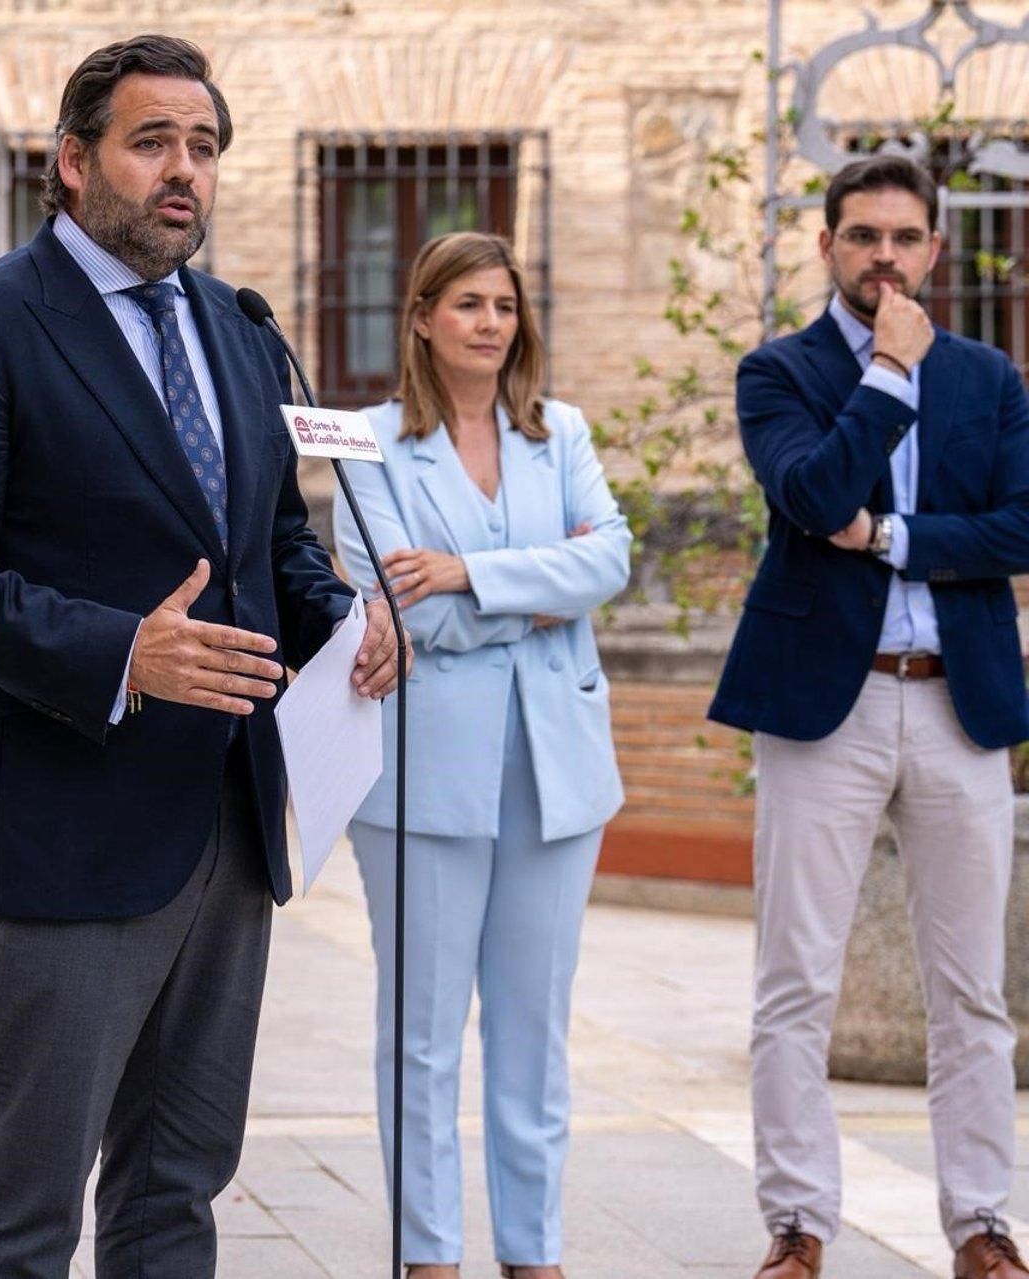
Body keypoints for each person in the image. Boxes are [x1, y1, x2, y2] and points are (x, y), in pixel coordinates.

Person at [0, 34, 402, 1279]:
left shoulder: (237, 328)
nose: (185, 172)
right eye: (152, 141)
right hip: (69, 826)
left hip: (228, 817)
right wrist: (122, 652)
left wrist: (347, 621)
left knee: (177, 1193)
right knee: (25, 1212)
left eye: (205, 147)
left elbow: (269, 535)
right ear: (72, 161)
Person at [708, 154, 1029, 1279]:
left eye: (903, 237)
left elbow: (1020, 528)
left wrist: (893, 539)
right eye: (861, 236)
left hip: (958, 705)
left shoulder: (991, 378)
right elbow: (809, 494)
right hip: (820, 713)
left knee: (972, 988)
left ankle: (983, 1223)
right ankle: (798, 1225)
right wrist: (889, 377)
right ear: (828, 245)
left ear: (934, 249)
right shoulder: (780, 371)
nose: (883, 255)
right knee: (796, 979)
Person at [332, 231, 630, 1279]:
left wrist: (465, 575)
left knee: (533, 1028)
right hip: (423, 774)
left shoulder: (565, 434)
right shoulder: (366, 444)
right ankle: (428, 1256)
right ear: (421, 317)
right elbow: (387, 605)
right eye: (466, 303)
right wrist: (535, 598)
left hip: (557, 773)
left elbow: (611, 559)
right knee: (421, 1031)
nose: (490, 322)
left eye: (504, 304)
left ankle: (533, 1252)